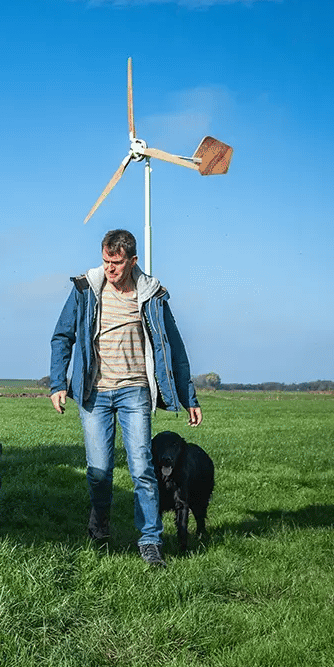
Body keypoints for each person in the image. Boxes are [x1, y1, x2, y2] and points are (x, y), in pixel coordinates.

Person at [49, 229, 202, 568]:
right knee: (99, 471)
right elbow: (62, 337)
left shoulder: (153, 295)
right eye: (105, 261)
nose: (109, 269)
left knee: (142, 470)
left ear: (133, 261)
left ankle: (150, 540)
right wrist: (58, 383)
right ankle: (100, 523)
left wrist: (189, 396)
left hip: (135, 392)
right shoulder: (85, 290)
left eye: (116, 263)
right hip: (95, 393)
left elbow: (175, 349)